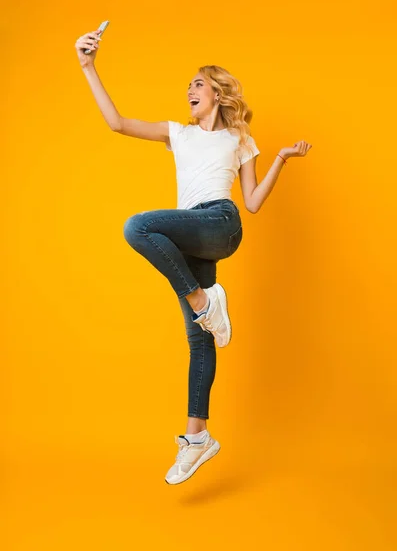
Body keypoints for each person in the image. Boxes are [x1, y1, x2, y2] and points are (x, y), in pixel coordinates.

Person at [75, 27, 312, 486]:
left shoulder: (240, 138)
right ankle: (198, 436)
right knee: (200, 341)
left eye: (197, 84)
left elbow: (254, 201)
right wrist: (88, 65)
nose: (189, 91)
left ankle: (205, 302)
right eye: (188, 86)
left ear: (218, 94)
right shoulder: (178, 134)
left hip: (220, 222)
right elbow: (117, 123)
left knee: (137, 226)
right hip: (190, 237)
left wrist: (280, 158)